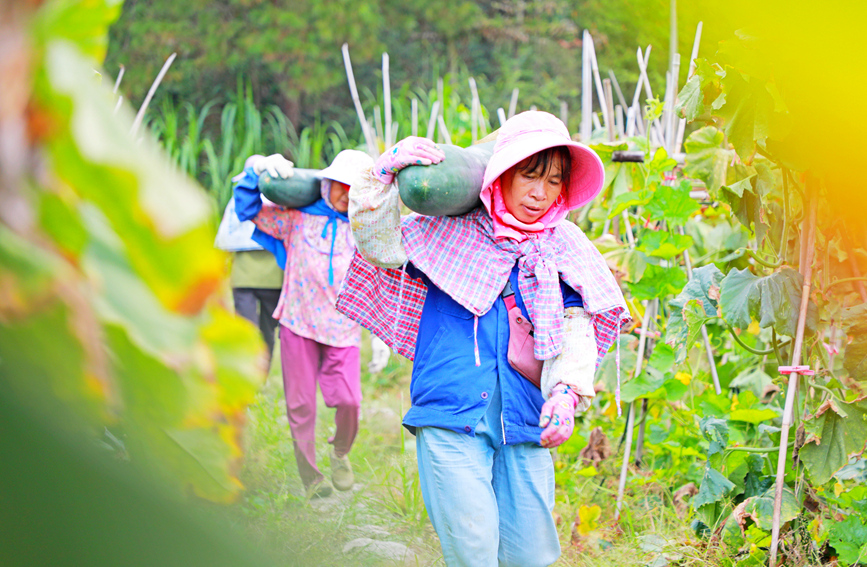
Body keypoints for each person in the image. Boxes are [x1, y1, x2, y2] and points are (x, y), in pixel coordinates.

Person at [337, 111, 629, 566]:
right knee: (473, 552)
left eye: (554, 181)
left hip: (526, 419)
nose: (539, 193)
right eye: (529, 176)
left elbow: (576, 329)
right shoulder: (444, 232)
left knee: (531, 554)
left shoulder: (563, 245)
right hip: (450, 415)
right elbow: (378, 246)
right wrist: (382, 172)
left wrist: (566, 394)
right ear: (501, 176)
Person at [233, 149, 390, 498]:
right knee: (300, 406)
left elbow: (382, 277)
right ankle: (311, 478)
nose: (346, 195)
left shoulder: (363, 231)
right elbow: (248, 209)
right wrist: (253, 170)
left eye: (354, 189)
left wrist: (379, 334)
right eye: (340, 185)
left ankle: (340, 453)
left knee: (349, 401)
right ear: (326, 183)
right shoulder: (297, 219)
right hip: (298, 323)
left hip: (343, 330)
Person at [215, 159, 284, 368]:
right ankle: (250, 374)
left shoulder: (271, 201)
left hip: (267, 278)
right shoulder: (277, 200)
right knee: (256, 330)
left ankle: (256, 375)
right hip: (249, 278)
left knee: (262, 330)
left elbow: (224, 239)